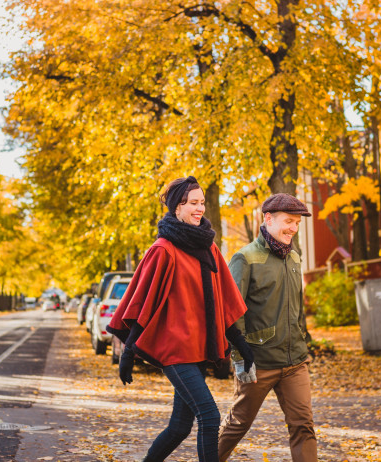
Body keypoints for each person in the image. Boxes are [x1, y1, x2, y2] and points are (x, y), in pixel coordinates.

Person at [107, 176, 254, 462]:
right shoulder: (163, 249)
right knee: (209, 417)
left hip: (197, 350)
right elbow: (143, 303)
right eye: (193, 204)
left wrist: (240, 343)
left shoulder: (209, 247)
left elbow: (223, 298)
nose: (200, 209)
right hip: (175, 351)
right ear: (177, 208)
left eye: (202, 203)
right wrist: (128, 351)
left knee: (179, 427)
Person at [218, 193, 317, 462]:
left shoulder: (294, 257)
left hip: (295, 361)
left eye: (297, 223)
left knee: (303, 425)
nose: (293, 229)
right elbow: (232, 313)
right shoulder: (245, 258)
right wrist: (239, 359)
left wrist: (302, 342)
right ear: (268, 219)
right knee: (238, 423)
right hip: (257, 362)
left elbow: (296, 310)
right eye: (288, 221)